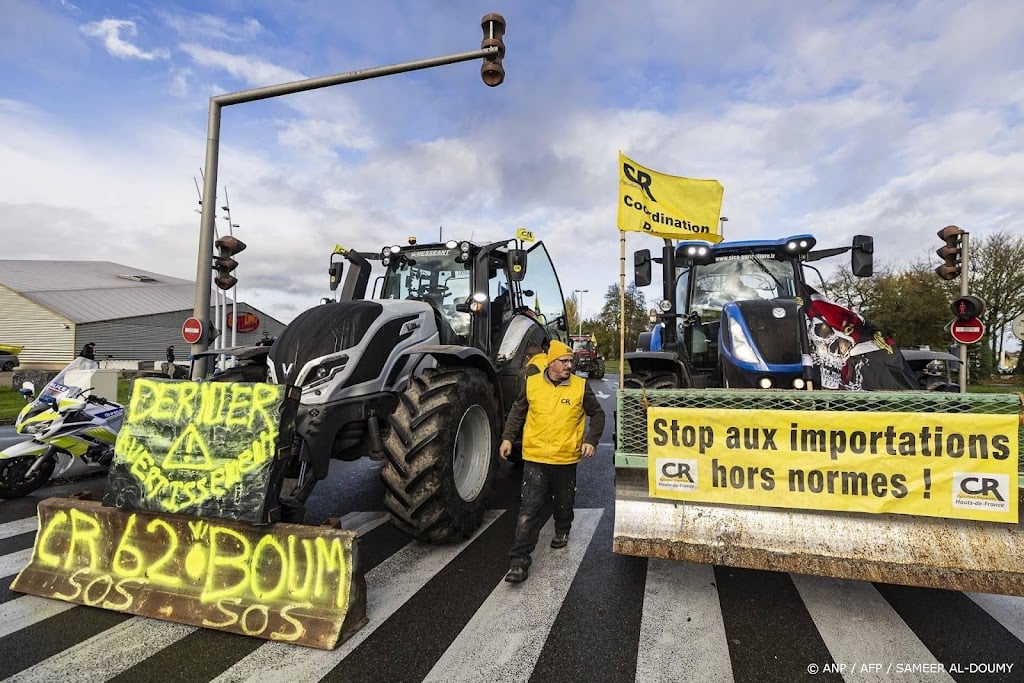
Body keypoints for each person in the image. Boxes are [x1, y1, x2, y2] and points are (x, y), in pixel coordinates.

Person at [498, 339, 606, 584]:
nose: (570, 365)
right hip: (535, 457)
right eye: (564, 361)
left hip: (565, 458)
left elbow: (597, 414)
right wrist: (507, 438)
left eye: (571, 361)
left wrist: (591, 440)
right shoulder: (533, 383)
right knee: (529, 508)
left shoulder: (580, 386)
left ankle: (563, 528)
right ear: (551, 363)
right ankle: (518, 561)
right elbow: (518, 411)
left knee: (564, 501)